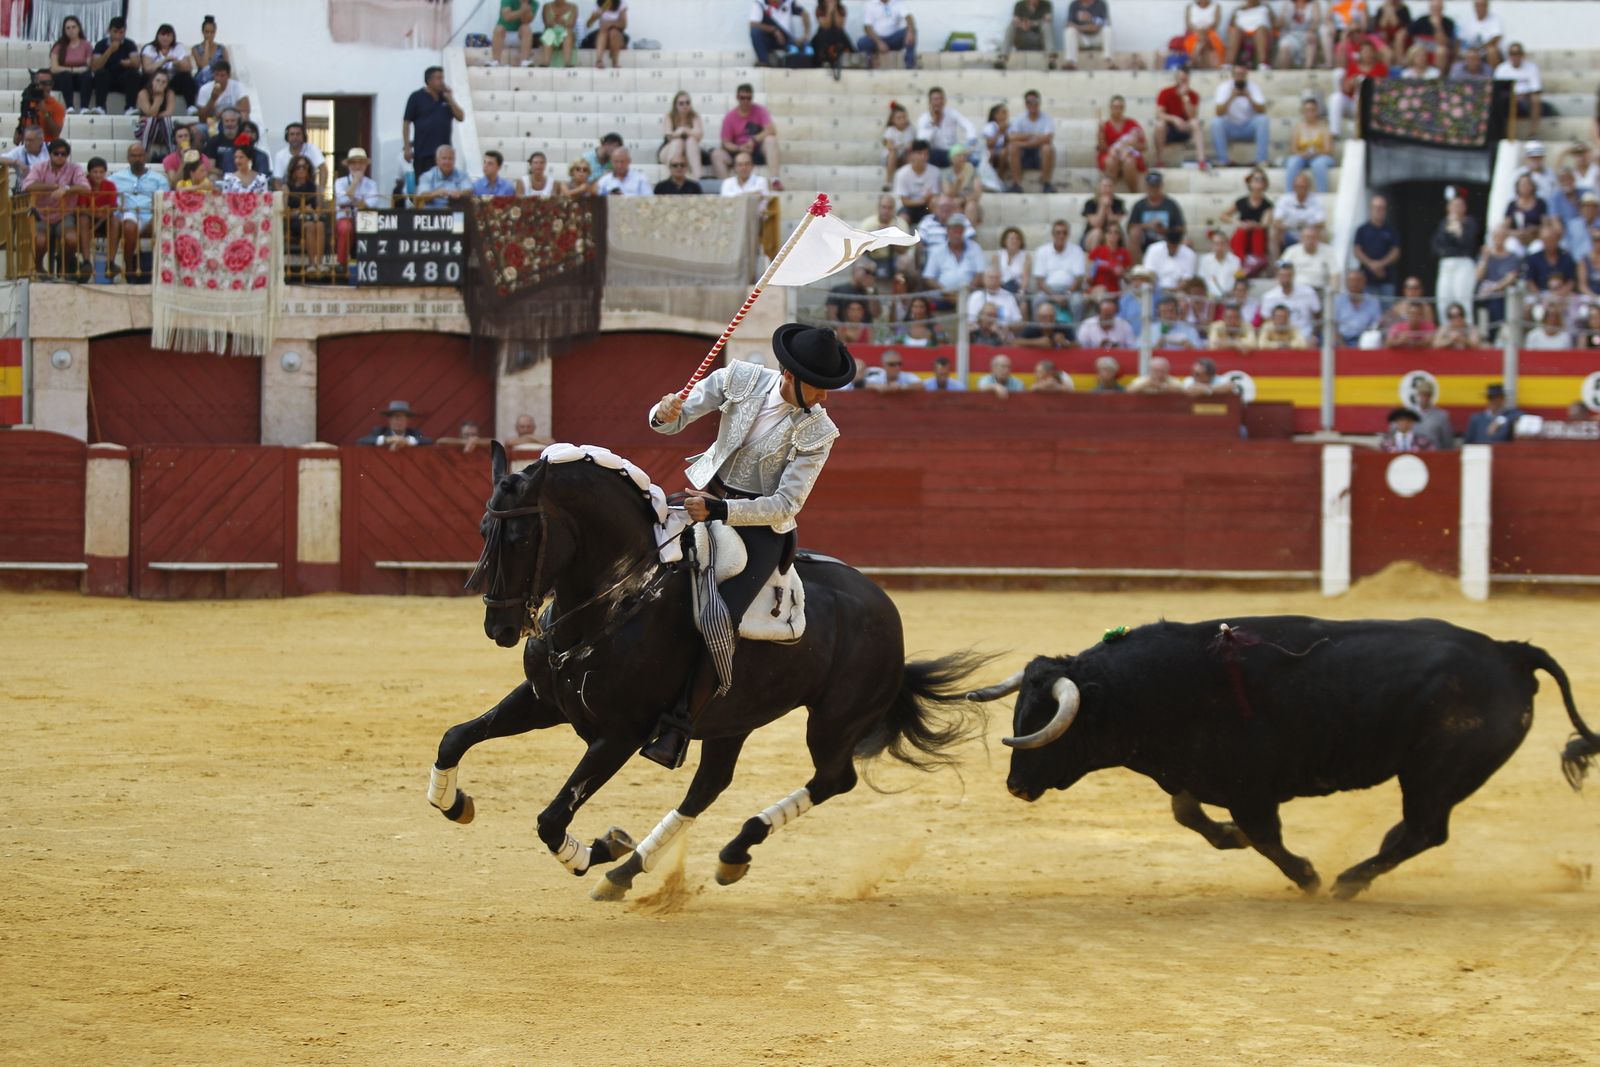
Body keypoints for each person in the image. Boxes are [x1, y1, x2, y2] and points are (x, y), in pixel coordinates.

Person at [642, 324, 855, 768]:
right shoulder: (739, 378)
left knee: (720, 616)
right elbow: (674, 420)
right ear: (790, 375)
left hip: (759, 530)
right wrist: (663, 412)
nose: (825, 398)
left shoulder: (819, 431)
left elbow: (785, 505)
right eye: (819, 387)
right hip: (705, 496)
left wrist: (721, 513)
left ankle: (680, 725)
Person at [23, 139, 88, 275]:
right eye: (56, 153)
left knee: (71, 239)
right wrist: (54, 187)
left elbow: (86, 188)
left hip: (64, 215)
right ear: (50, 154)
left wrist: (66, 189)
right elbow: (27, 186)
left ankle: (63, 266)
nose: (59, 156)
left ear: (67, 156)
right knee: (40, 241)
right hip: (42, 214)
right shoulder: (39, 167)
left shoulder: (74, 168)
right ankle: (39, 267)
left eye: (63, 154)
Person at [714, 84, 782, 187]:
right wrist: (739, 148)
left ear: (752, 98)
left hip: (756, 149)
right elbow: (725, 142)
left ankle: (775, 180)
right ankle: (728, 187)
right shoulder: (730, 117)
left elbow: (771, 129)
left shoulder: (760, 111)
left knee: (771, 140)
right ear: (737, 98)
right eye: (742, 98)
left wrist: (754, 140)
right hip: (737, 151)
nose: (745, 101)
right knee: (716, 154)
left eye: (748, 98)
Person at [402, 66, 463, 178]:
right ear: (429, 80)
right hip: (423, 152)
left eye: (442, 78)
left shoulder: (445, 99)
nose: (442, 82)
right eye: (438, 78)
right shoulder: (416, 97)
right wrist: (407, 147)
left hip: (444, 155)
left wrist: (450, 98)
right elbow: (406, 123)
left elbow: (461, 117)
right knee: (423, 188)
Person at [1432, 194, 1480, 322]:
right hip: (1446, 263)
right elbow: (1437, 244)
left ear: (1464, 208)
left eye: (1459, 206)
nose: (1456, 209)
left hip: (1463, 263)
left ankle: (1467, 331)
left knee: (1463, 299)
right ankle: (1446, 332)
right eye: (1453, 205)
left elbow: (1466, 242)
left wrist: (1458, 227)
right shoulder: (1444, 223)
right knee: (1443, 298)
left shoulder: (1470, 222)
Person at [1211, 64, 1269, 169]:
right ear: (1232, 76)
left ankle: (1261, 160)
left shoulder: (1253, 87)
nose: (1240, 77)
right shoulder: (1224, 88)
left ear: (1246, 75)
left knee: (1263, 120)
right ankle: (1223, 160)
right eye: (1237, 75)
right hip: (1230, 128)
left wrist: (1249, 97)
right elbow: (1218, 113)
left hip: (1248, 127)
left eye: (1242, 75)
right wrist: (1231, 97)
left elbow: (1262, 111)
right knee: (1216, 123)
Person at [1331, 37, 1387, 137]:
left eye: (1370, 51)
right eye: (1364, 51)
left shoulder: (1381, 68)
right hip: (1354, 103)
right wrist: (1352, 81)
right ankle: (1335, 132)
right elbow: (1346, 89)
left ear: (1374, 53)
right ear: (1360, 54)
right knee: (1336, 98)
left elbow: (1386, 90)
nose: (1367, 54)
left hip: (1372, 106)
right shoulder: (1353, 66)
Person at [1221, 167, 1273, 276]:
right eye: (1255, 179)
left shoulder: (1267, 204)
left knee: (1257, 232)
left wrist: (1254, 225)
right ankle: (1240, 262)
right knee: (1242, 231)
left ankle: (1256, 261)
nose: (1258, 182)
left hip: (1257, 237)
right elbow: (1224, 215)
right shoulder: (1241, 202)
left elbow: (1265, 223)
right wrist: (1238, 223)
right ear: (1249, 183)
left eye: (1261, 179)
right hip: (1242, 235)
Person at [334, 147, 379, 267]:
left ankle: (368, 264)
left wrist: (351, 199)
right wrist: (355, 182)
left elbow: (370, 204)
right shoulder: (340, 182)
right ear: (348, 165)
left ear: (365, 165)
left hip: (365, 217)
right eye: (354, 162)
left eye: (360, 162)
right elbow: (342, 200)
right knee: (345, 228)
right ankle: (341, 264)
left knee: (371, 226)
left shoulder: (371, 184)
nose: (357, 166)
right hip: (345, 218)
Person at [1006, 89, 1057, 193]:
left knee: (1047, 148)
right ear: (1025, 104)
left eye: (1034, 101)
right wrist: (1032, 135)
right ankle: (1016, 184)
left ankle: (1046, 183)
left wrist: (1022, 142)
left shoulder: (1047, 118)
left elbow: (1048, 138)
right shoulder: (1020, 118)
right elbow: (1011, 137)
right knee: (1012, 147)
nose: (1032, 104)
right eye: (1029, 102)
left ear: (1039, 102)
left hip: (1039, 154)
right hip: (1024, 154)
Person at [89, 17, 143, 116]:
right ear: (109, 30)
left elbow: (137, 63)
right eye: (115, 32)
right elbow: (95, 67)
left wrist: (130, 63)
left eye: (121, 32)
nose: (118, 35)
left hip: (123, 78)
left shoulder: (129, 44)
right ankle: (100, 107)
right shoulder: (101, 45)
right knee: (100, 73)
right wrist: (110, 50)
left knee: (134, 74)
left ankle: (130, 107)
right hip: (106, 79)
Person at [1033, 219, 1088, 314]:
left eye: (1064, 233)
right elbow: (1040, 281)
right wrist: (1054, 296)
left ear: (1068, 234)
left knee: (1077, 302)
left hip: (1070, 290)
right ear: (1052, 234)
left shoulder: (1077, 251)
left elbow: (1078, 279)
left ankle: (1076, 329)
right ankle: (1037, 329)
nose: (1061, 236)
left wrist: (1067, 294)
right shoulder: (1042, 251)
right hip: (1048, 290)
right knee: (1037, 300)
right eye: (1058, 233)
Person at [914, 87, 977, 171]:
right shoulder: (924, 119)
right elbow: (922, 142)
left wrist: (969, 146)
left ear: (944, 101)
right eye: (935, 99)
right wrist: (933, 123)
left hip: (953, 152)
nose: (938, 102)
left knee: (974, 160)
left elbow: (969, 126)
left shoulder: (951, 113)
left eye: (941, 99)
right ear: (930, 102)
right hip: (934, 153)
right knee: (927, 155)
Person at [140, 23, 198, 111]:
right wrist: (164, 60)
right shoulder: (150, 48)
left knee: (186, 77)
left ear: (173, 37)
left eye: (168, 35)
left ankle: (190, 106)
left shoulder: (179, 47)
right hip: (155, 82)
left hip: (172, 81)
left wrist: (178, 63)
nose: (165, 38)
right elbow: (147, 69)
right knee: (145, 77)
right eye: (163, 35)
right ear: (157, 36)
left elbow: (189, 67)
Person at [1352, 193, 1400, 297]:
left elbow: (1396, 251)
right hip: (1366, 280)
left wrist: (1381, 264)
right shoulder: (1362, 230)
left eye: (1382, 208)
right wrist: (1371, 265)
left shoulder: (1391, 230)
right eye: (1377, 207)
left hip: (1387, 279)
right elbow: (1357, 251)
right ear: (1371, 209)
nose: (1379, 210)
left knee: (1387, 311)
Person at [1285, 96, 1335, 195]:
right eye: (1307, 110)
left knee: (1318, 165)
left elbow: (1328, 149)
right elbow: (1293, 149)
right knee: (1292, 162)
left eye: (1313, 110)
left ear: (1317, 111)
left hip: (1321, 156)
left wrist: (1316, 153)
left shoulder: (1324, 126)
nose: (1310, 113)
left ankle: (1322, 194)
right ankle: (1289, 194)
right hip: (1303, 156)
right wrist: (1303, 154)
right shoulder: (1298, 127)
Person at [1153, 68, 1202, 168]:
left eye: (1185, 80)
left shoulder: (1193, 95)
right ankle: (1159, 160)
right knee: (1160, 124)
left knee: (1195, 123)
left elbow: (1192, 116)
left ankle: (1201, 160)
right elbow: (1159, 114)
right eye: (1181, 79)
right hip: (1169, 129)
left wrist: (1185, 98)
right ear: (1176, 79)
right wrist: (1174, 119)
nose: (1182, 82)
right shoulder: (1165, 92)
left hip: (1185, 129)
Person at [1097, 95, 1145, 195]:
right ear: (1110, 108)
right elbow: (1102, 148)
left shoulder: (1132, 123)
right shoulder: (1105, 125)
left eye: (1120, 107)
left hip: (1129, 153)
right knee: (1111, 160)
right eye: (1115, 107)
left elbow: (1144, 146)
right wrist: (1101, 132)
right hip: (1110, 154)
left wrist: (1131, 144)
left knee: (1129, 161)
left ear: (1124, 108)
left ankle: (1133, 193)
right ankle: (1109, 194)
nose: (1117, 110)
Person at [284, 155, 326, 268]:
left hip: (312, 217)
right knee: (310, 226)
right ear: (293, 170)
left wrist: (312, 212)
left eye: (304, 167)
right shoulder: (287, 188)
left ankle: (320, 264)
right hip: (295, 221)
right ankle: (312, 264)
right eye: (298, 167)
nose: (302, 169)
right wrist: (300, 210)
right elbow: (284, 212)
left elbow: (319, 210)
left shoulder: (314, 187)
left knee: (320, 225)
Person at [1259, 261, 1320, 337]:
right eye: (1282, 276)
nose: (1285, 279)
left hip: (1304, 335)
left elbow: (1318, 315)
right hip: (1279, 337)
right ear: (1277, 276)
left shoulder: (1308, 292)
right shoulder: (1269, 297)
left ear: (1293, 276)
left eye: (1288, 275)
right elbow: (1267, 320)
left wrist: (1314, 335)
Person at [1127, 171, 1185, 252]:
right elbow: (1130, 227)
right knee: (1134, 233)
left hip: (1167, 240)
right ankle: (1137, 264)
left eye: (1156, 186)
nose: (1154, 189)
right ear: (1146, 187)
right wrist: (1148, 226)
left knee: (1187, 242)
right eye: (1151, 186)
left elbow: (1181, 228)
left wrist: (1165, 230)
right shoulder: (1139, 205)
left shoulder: (1171, 205)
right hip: (1144, 241)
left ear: (1161, 186)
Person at [49, 16, 94, 115]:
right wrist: (73, 70)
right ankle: (69, 107)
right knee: (65, 75)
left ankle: (84, 108)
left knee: (87, 76)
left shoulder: (86, 45)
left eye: (74, 27)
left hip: (80, 78)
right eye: (68, 28)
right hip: (63, 79)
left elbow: (88, 65)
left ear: (79, 28)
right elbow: (54, 68)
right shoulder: (59, 46)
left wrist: (80, 70)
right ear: (64, 30)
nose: (71, 30)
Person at [1495, 43, 1541, 138]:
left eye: (1517, 53)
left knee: (1535, 99)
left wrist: (1522, 96)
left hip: (1525, 100)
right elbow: (1497, 89)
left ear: (1522, 54)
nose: (1515, 56)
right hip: (1507, 100)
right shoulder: (1501, 69)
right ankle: (1500, 134)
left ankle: (1533, 133)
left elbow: (1536, 89)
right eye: (1512, 53)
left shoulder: (1532, 68)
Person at [1281, 222, 1341, 295]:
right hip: (1295, 290)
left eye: (1313, 238)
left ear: (1318, 239)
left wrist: (1333, 291)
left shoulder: (1328, 251)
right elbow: (1281, 269)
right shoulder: (1291, 251)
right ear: (1301, 238)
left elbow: (1335, 274)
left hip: (1319, 291)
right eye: (1307, 237)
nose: (1310, 241)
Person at [858, 0, 917, 70]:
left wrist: (910, 31)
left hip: (894, 39)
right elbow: (867, 27)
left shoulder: (898, 2)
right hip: (877, 39)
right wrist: (879, 42)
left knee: (911, 31)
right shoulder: (870, 4)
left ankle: (910, 64)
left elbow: (909, 17)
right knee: (862, 42)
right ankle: (869, 65)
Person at [750, 0, 811, 67]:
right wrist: (774, 30)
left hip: (786, 39)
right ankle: (764, 61)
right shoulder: (760, 3)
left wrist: (806, 34)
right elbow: (753, 24)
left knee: (805, 46)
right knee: (755, 32)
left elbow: (805, 14)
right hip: (769, 39)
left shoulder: (789, 2)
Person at [892, 139, 940, 224]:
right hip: (908, 208)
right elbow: (905, 201)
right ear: (912, 155)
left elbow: (934, 197)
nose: (923, 157)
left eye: (926, 154)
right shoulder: (902, 173)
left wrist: (927, 200)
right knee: (903, 217)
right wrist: (923, 200)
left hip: (926, 207)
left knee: (935, 207)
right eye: (919, 153)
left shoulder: (935, 172)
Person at [1002, 0, 1057, 69]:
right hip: (1022, 39)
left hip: (1038, 40)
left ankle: (1051, 59)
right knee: (1011, 26)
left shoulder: (1046, 5)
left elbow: (1048, 19)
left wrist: (1032, 24)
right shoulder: (1019, 5)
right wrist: (1022, 25)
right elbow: (1015, 20)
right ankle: (1003, 58)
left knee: (1047, 25)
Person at [273, 123, 325, 193]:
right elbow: (277, 181)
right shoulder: (280, 155)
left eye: (298, 134)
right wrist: (284, 196)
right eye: (292, 134)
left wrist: (321, 190)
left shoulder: (313, 149)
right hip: (289, 192)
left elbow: (323, 169)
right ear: (287, 137)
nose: (295, 137)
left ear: (303, 136)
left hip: (310, 190)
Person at [134, 70, 177, 155]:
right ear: (152, 81)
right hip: (144, 130)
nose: (160, 84)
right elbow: (149, 113)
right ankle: (144, 152)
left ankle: (172, 152)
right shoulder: (143, 93)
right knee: (151, 120)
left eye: (164, 82)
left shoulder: (170, 93)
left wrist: (154, 116)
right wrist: (158, 99)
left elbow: (169, 112)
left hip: (163, 130)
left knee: (166, 120)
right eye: (158, 80)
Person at [359, 401, 433, 449]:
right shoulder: (379, 431)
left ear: (407, 421)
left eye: (401, 418)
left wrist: (407, 441)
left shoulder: (414, 432)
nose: (398, 421)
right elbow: (361, 441)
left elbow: (429, 441)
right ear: (389, 420)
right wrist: (387, 440)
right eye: (395, 417)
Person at [1143, 227, 1197, 293]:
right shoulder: (1153, 249)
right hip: (1155, 289)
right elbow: (1149, 273)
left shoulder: (1190, 254)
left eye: (1174, 247)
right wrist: (1158, 290)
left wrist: (1174, 291)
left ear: (1180, 243)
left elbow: (1187, 279)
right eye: (1170, 247)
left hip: (1179, 291)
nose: (1172, 249)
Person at [1333, 270, 1381, 344]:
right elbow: (1332, 325)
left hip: (1364, 339)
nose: (1355, 284)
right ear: (1346, 283)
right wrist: (1342, 345)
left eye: (1358, 281)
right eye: (1351, 281)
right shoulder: (1338, 300)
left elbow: (1375, 324)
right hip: (1341, 339)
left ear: (1364, 282)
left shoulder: (1373, 301)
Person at [1062, 0, 1113, 70]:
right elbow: (1069, 24)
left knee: (1108, 30)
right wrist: (1087, 26)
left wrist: (1090, 19)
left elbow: (1099, 25)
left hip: (1097, 38)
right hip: (1082, 39)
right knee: (1070, 31)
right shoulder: (1074, 4)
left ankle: (1109, 62)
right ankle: (1071, 62)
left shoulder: (1101, 4)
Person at [582, 0, 630, 70]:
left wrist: (610, 24)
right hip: (603, 35)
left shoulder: (621, 3)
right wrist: (594, 16)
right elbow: (588, 24)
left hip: (618, 36)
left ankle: (615, 62)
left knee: (613, 32)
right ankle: (599, 61)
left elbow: (623, 24)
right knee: (603, 30)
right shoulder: (598, 4)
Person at [1277, 0, 1325, 68]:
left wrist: (1311, 30)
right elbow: (1282, 21)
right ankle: (1285, 73)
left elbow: (1316, 20)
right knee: (1284, 46)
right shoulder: (1288, 4)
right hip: (1291, 34)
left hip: (1307, 33)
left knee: (1311, 38)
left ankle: (1308, 69)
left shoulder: (1313, 4)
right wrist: (1281, 21)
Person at [2, 126, 49, 194]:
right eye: (26, 140)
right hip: (26, 194)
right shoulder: (20, 151)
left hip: (49, 191)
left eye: (30, 140)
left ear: (41, 140)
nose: (27, 143)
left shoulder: (51, 149)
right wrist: (16, 162)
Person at [1198, 226, 1242, 298]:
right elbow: (1201, 281)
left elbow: (1239, 281)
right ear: (1212, 245)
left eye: (1222, 244)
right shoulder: (1205, 260)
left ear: (1227, 245)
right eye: (1216, 244)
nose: (1219, 247)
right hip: (1210, 299)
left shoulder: (1235, 260)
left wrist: (1232, 292)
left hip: (1229, 299)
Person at [490, 0, 536, 67]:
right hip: (504, 36)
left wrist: (524, 4)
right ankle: (495, 61)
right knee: (498, 29)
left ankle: (524, 61)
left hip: (519, 36)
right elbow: (507, 17)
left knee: (526, 28)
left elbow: (525, 21)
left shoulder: (534, 3)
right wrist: (523, 11)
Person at [1456, 0, 1503, 67]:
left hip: (1485, 51)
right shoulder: (1467, 19)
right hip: (1469, 50)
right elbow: (1460, 39)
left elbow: (1496, 38)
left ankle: (1493, 76)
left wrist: (1479, 49)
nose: (1480, 8)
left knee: (1492, 51)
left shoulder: (1495, 19)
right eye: (1478, 5)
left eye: (1482, 5)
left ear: (1487, 6)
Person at [1182, 0, 1225, 71]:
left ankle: (1192, 61)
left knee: (1205, 40)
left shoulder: (1216, 6)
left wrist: (1204, 32)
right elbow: (1188, 25)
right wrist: (1199, 32)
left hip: (1210, 34)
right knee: (1200, 40)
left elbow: (1216, 24)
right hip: (1194, 34)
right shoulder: (1190, 7)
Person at [1412, 379, 1454, 449]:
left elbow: (1447, 442)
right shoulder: (1408, 414)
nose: (1424, 398)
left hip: (1434, 456)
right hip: (1414, 457)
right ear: (1418, 395)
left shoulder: (1442, 416)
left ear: (1431, 396)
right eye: (1422, 394)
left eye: (1427, 395)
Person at [191, 15, 228, 88]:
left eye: (212, 32)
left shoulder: (221, 48)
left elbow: (227, 67)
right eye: (207, 32)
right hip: (202, 79)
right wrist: (207, 46)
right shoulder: (195, 48)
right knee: (206, 71)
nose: (209, 35)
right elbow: (203, 66)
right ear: (202, 32)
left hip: (217, 78)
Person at [540, 0, 579, 68]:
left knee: (568, 32)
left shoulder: (573, 7)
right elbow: (547, 23)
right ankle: (546, 62)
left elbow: (571, 24)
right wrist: (555, 20)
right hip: (552, 33)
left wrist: (562, 21)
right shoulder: (547, 6)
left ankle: (567, 63)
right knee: (549, 32)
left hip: (567, 33)